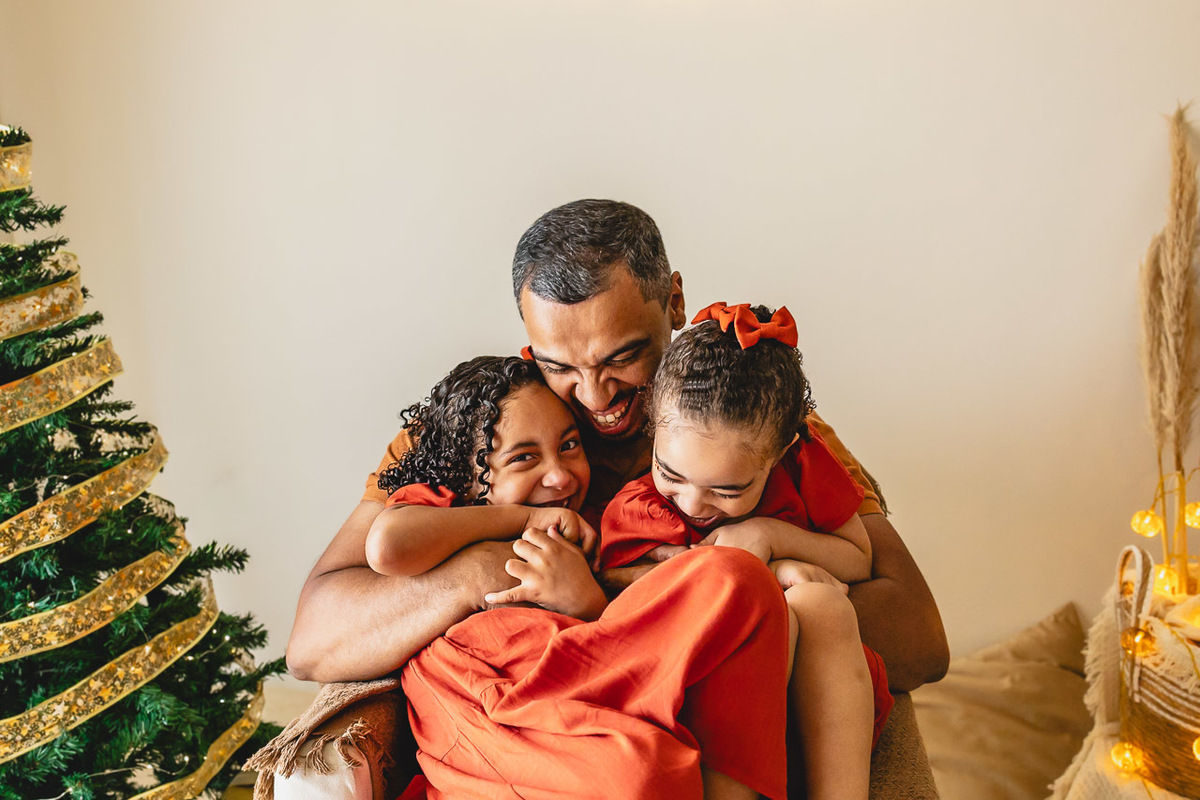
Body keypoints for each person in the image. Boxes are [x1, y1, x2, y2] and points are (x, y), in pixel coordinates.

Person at [277, 199, 948, 798]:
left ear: (676, 303)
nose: (596, 398)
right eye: (560, 366)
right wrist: (494, 567)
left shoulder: (747, 424)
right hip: (556, 721)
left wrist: (743, 581)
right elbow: (315, 642)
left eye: (622, 357)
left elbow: (918, 637)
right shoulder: (479, 430)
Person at [367, 354, 790, 799]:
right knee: (647, 776)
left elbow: (614, 635)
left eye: (569, 446)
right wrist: (526, 518)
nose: (558, 475)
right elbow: (388, 546)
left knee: (739, 579)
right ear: (469, 479)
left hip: (586, 673)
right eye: (524, 458)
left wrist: (584, 599)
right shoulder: (451, 510)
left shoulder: (592, 523)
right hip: (492, 694)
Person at [595, 301, 894, 800]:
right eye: (670, 474)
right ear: (653, 426)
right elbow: (617, 595)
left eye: (729, 490)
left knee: (820, 605)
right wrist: (754, 572)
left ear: (780, 453)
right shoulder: (641, 508)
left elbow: (857, 560)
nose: (694, 502)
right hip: (696, 701)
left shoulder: (803, 468)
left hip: (808, 710)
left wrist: (773, 538)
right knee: (774, 614)